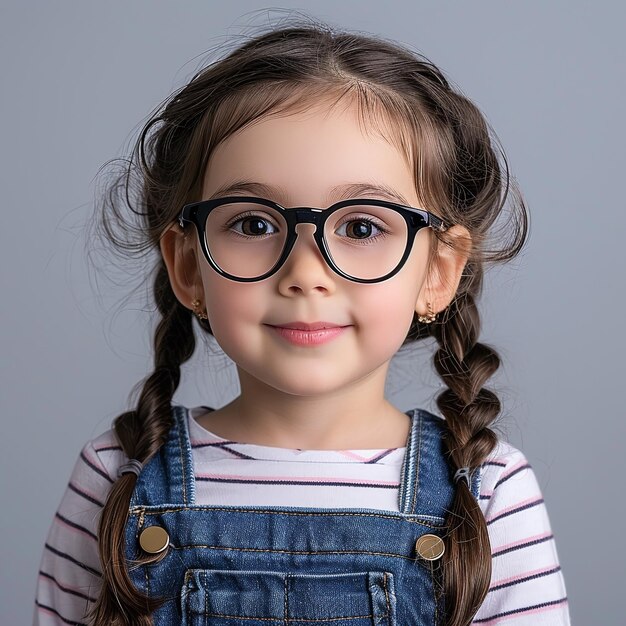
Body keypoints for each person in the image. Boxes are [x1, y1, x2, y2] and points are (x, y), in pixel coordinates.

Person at [33, 17, 571, 626]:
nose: (305, 272)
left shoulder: (488, 493)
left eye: (363, 227)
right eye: (254, 224)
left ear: (437, 273)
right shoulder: (116, 479)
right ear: (187, 266)